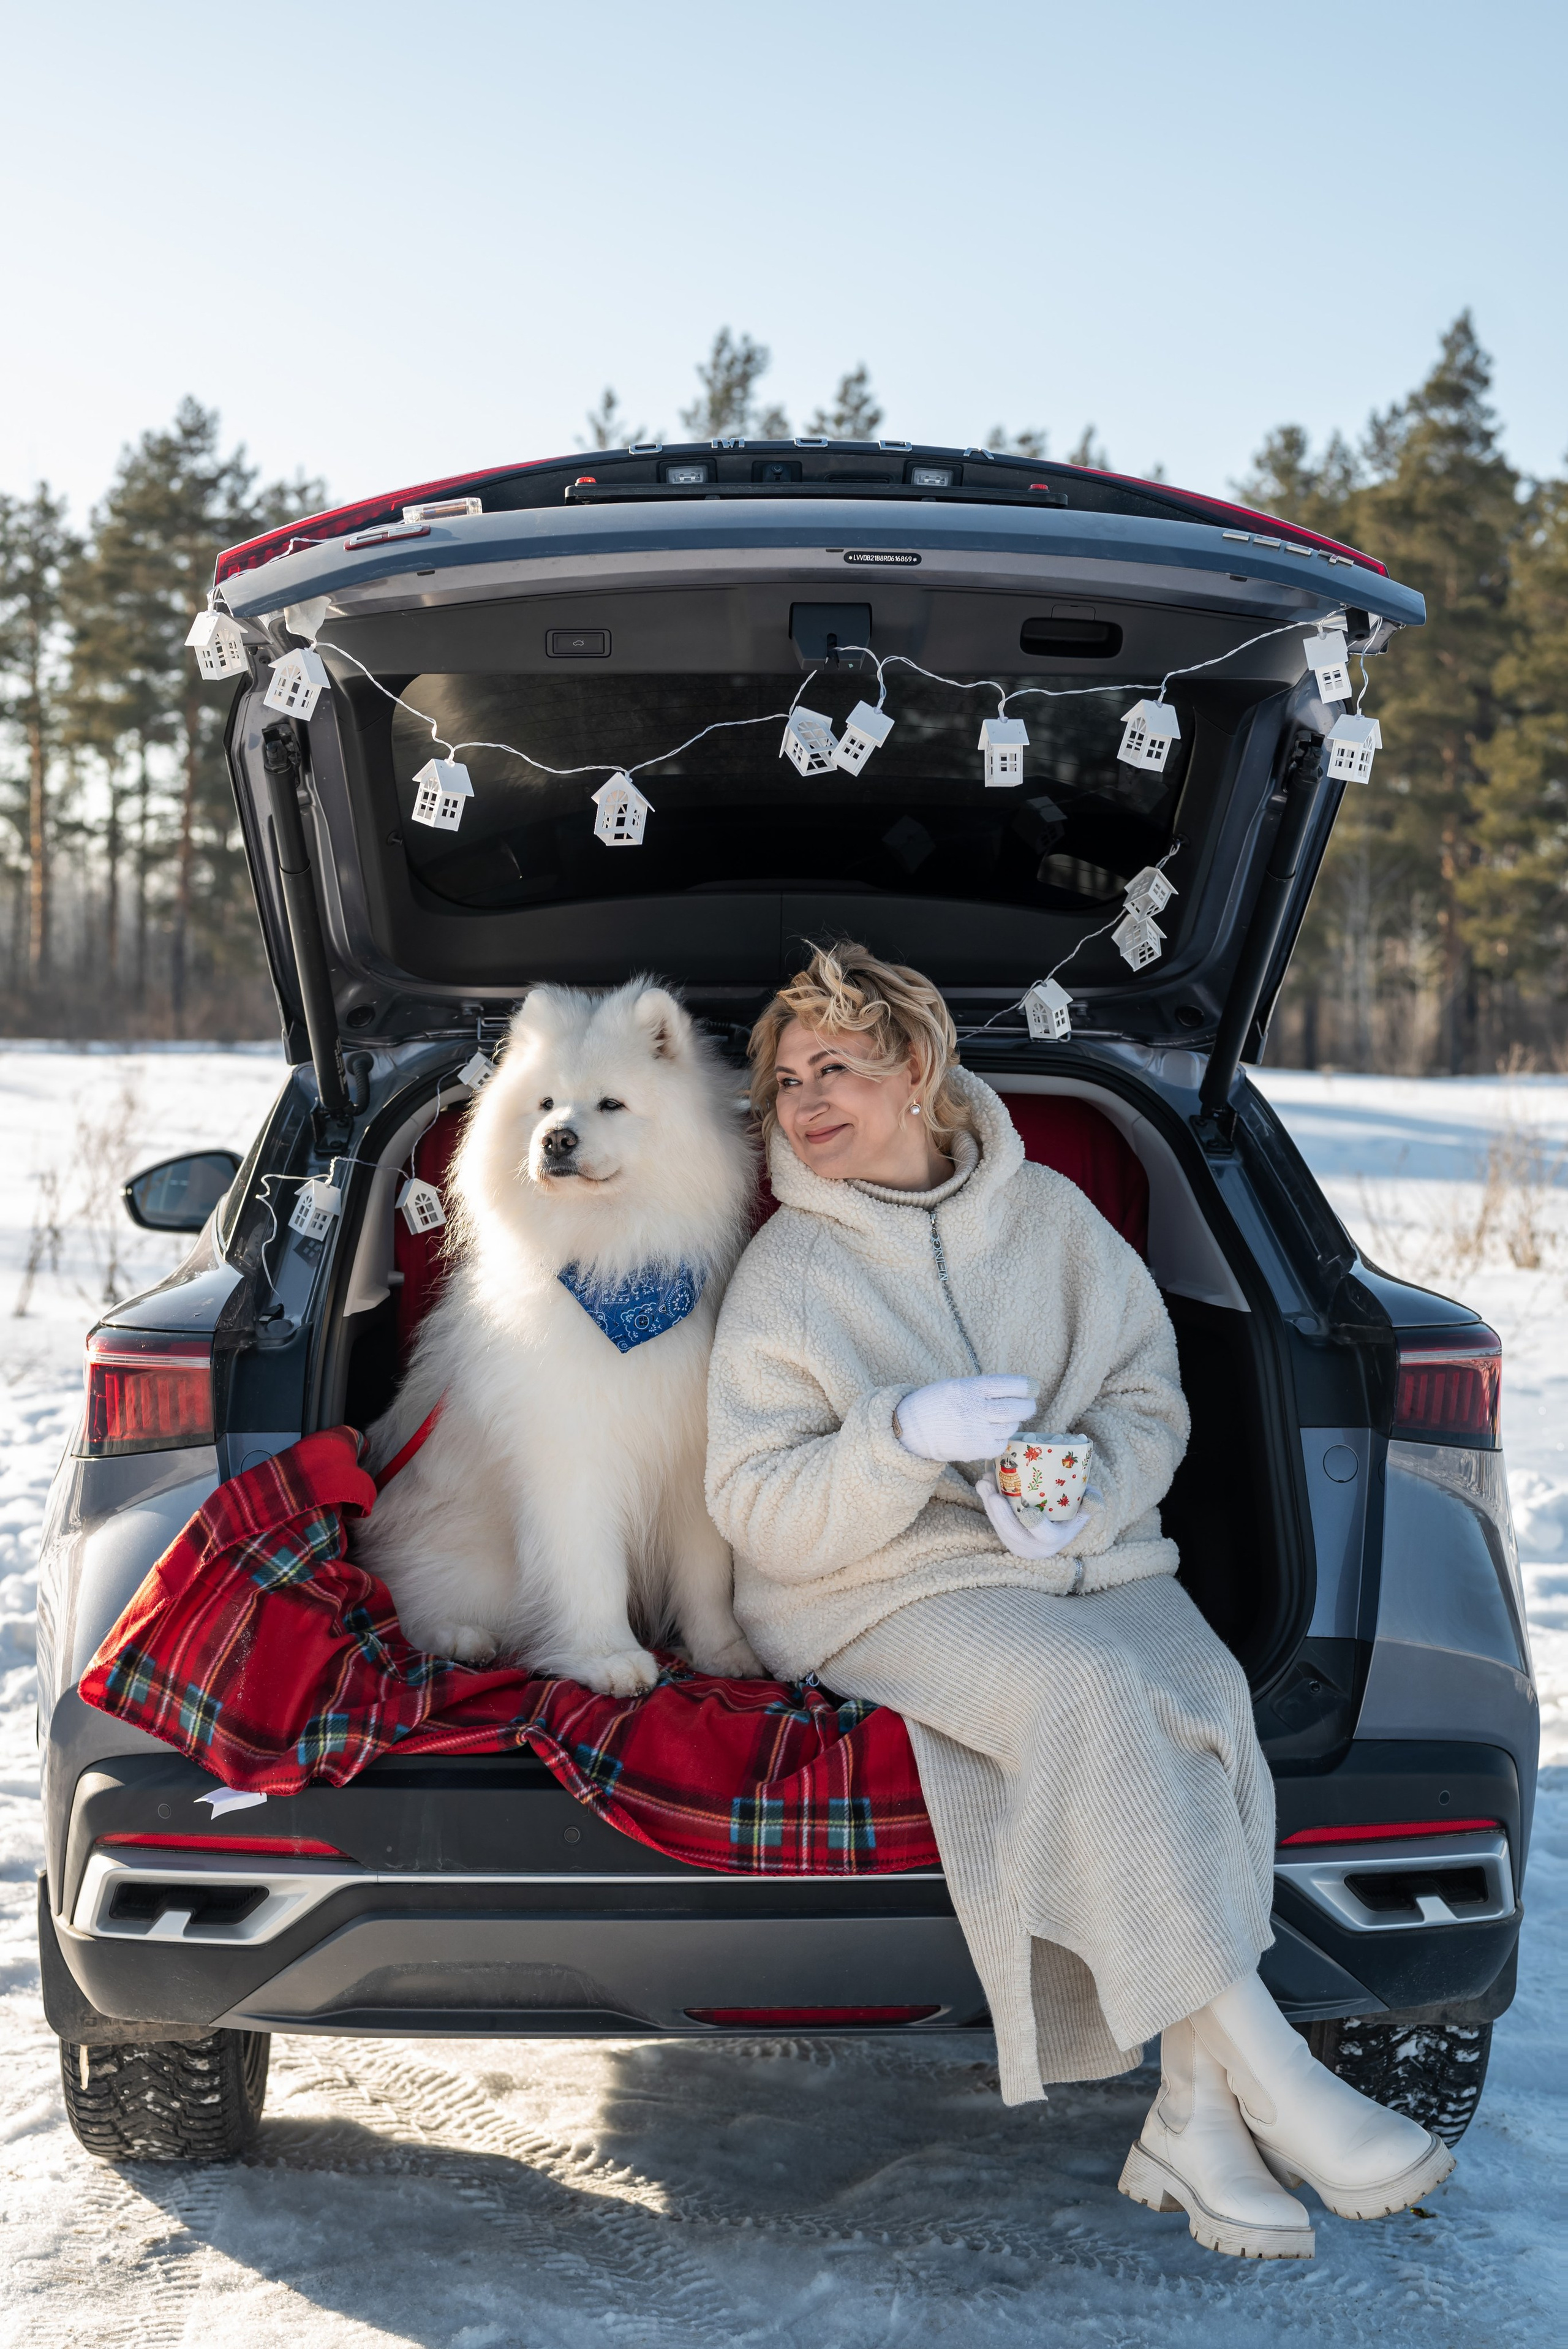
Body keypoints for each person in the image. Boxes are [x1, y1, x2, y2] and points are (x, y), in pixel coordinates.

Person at [704, 942, 1453, 2262]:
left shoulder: (1053, 1219)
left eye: (836, 1067)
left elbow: (1144, 1399)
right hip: (873, 1590)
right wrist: (897, 1435)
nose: (805, 1099)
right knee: (1085, 1690)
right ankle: (1274, 2076)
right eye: (783, 1082)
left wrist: (1085, 1492)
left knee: (1205, 1696)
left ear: (920, 1071)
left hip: (1087, 1559)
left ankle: (1190, 2118)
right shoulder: (789, 1275)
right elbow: (757, 1511)